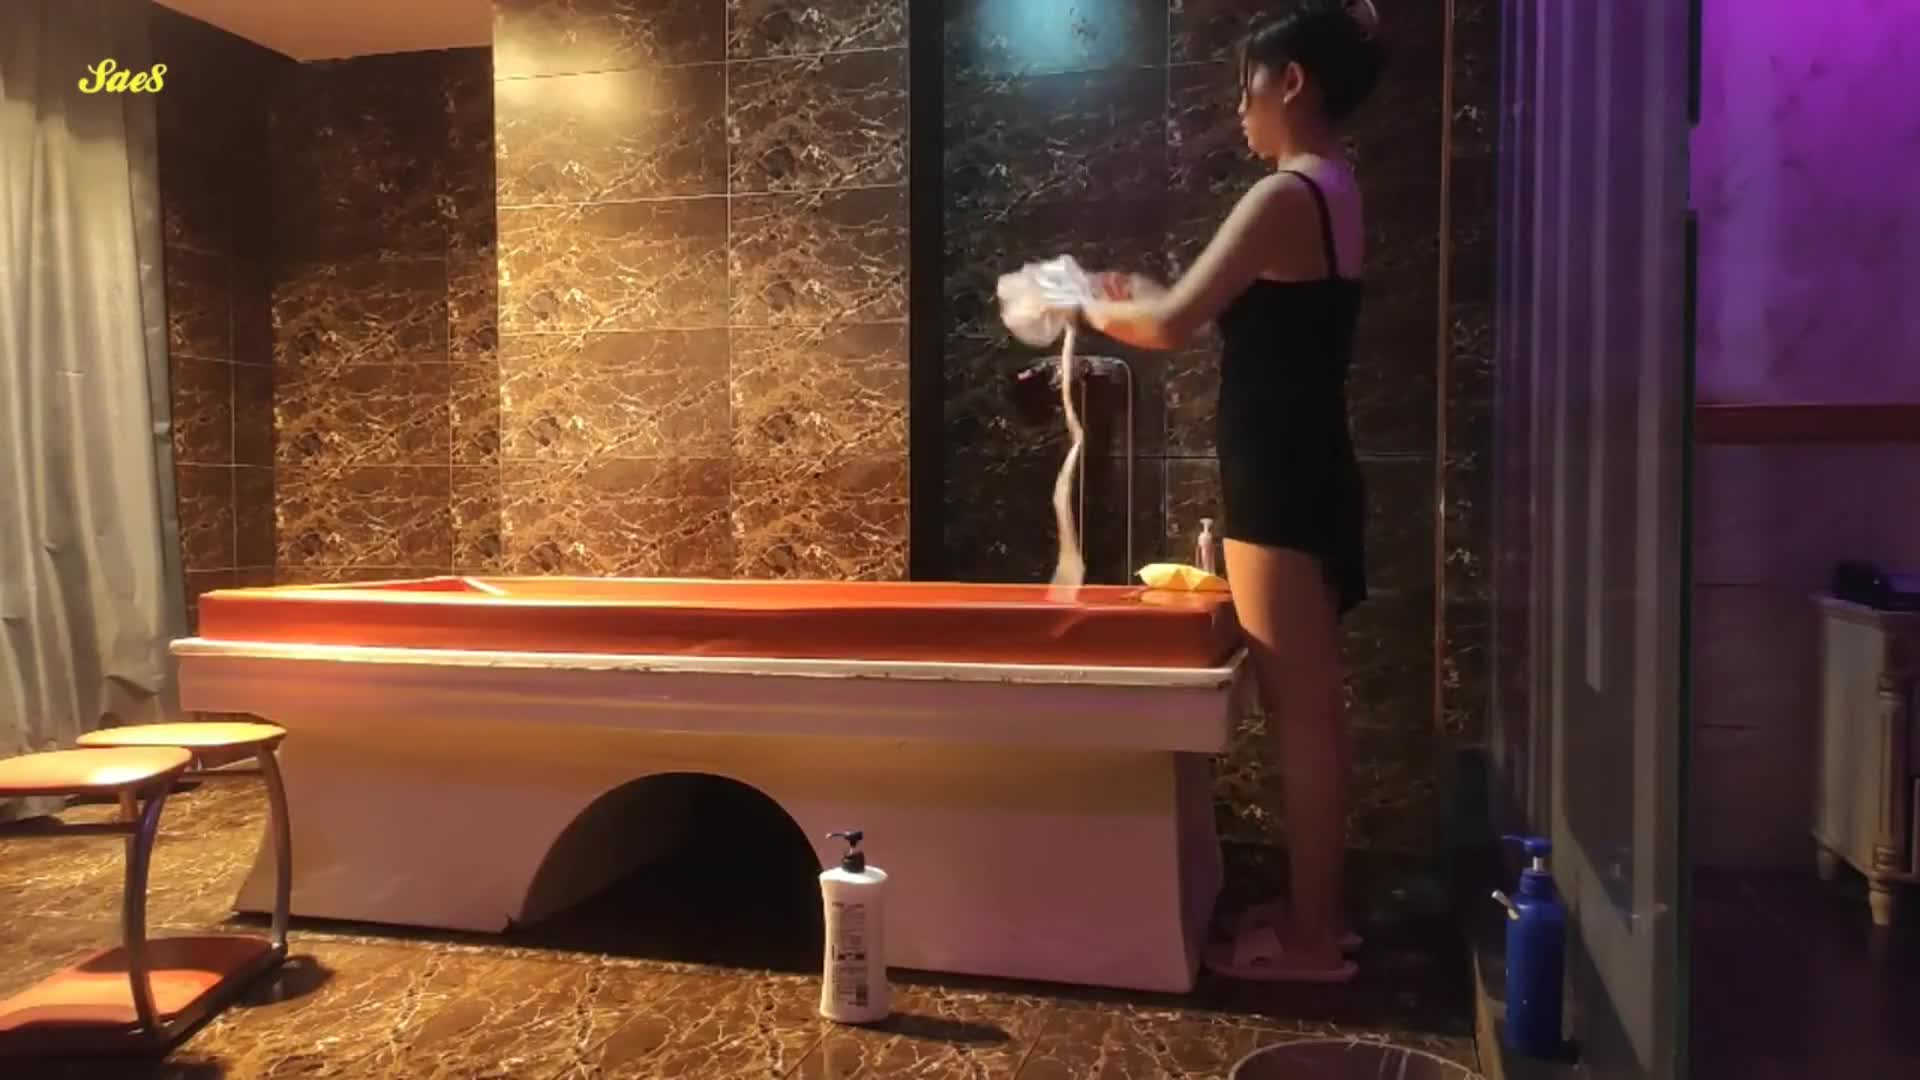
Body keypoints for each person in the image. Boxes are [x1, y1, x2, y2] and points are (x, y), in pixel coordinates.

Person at [1078, 0, 1385, 983]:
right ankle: (1317, 914)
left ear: (1290, 82)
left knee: (1300, 714)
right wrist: (1132, 300)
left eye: (1246, 86)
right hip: (1311, 462)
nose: (1238, 108)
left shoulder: (1283, 195)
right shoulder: (1334, 187)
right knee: (1316, 710)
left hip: (1279, 471)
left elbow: (1171, 324)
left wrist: (1077, 298)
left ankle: (1311, 943)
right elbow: (1189, 306)